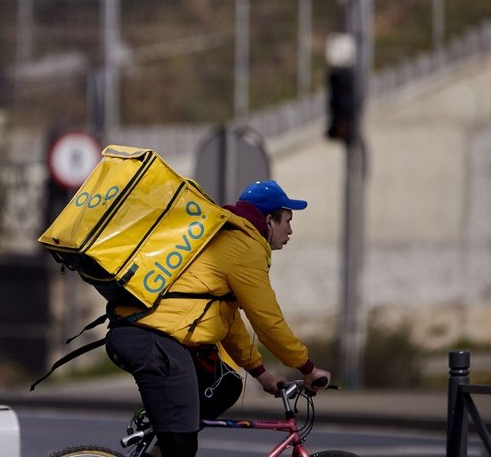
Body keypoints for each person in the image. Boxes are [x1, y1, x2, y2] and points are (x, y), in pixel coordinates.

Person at [105, 180, 332, 457]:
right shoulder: (244, 246)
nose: (290, 230)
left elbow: (227, 321)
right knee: (182, 445)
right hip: (152, 339)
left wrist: (260, 374)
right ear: (269, 220)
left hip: (153, 336)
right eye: (287, 220)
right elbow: (268, 321)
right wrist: (307, 368)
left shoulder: (229, 237)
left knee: (226, 385)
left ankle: (164, 428)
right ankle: (169, 428)